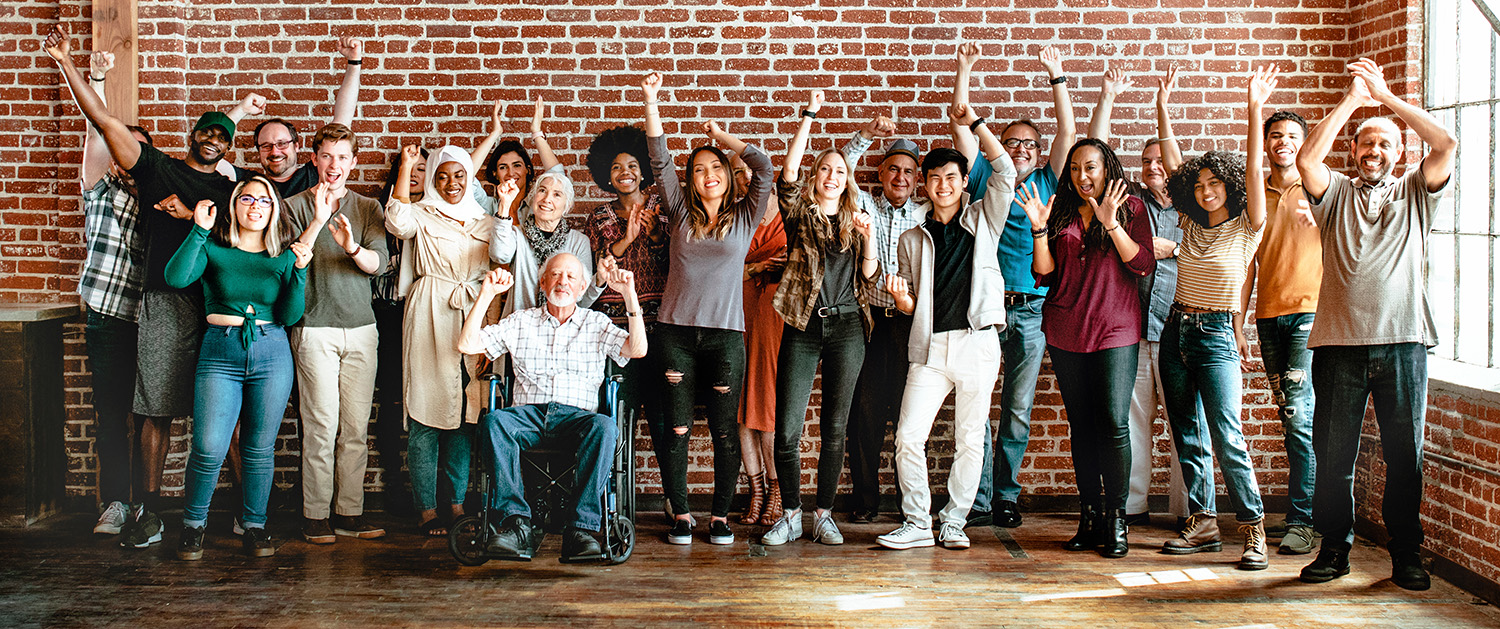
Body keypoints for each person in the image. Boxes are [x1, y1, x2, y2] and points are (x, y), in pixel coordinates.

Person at [45, 24, 245, 549]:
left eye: (222, 135)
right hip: (161, 304)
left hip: (215, 305)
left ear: (228, 146)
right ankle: (150, 514)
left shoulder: (234, 189)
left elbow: (253, 234)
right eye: (206, 130)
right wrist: (69, 64)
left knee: (228, 414)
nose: (212, 139)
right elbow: (104, 121)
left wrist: (192, 215)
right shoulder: (159, 171)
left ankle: (250, 512)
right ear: (193, 135)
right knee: (153, 409)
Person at [1296, 58, 1456, 591]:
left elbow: (1448, 143)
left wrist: (1386, 100)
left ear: (1401, 153)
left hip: (1405, 344)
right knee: (1334, 458)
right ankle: (1333, 550)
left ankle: (1406, 554)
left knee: (1404, 459)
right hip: (1339, 347)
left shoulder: (1416, 192)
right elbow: (1306, 158)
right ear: (1354, 152)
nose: (1374, 151)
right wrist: (1352, 101)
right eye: (1366, 144)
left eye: (1385, 144)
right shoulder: (1334, 193)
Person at [640, 72, 775, 546]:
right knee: (676, 429)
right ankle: (680, 514)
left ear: (725, 174)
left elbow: (764, 168)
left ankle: (719, 517)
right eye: (698, 169)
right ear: (691, 181)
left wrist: (723, 140)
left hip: (725, 337)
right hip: (674, 334)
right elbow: (659, 161)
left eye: (714, 167)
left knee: (722, 431)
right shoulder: (678, 210)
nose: (707, 174)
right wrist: (651, 101)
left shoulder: (746, 214)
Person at [876, 104, 1016, 551]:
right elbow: (912, 303)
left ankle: (953, 521)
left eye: (952, 178)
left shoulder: (984, 220)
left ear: (962, 182)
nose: (943, 185)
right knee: (908, 437)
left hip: (978, 343)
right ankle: (917, 522)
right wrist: (902, 301)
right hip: (931, 348)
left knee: (969, 439)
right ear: (925, 183)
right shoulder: (911, 237)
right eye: (934, 178)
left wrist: (974, 123)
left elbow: (1005, 168)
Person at [1157, 68, 1274, 571]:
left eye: (1214, 183)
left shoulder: (1249, 225)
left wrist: (1253, 109)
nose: (1206, 191)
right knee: (1186, 430)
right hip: (1175, 330)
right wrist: (1163, 105)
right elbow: (1171, 160)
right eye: (1199, 185)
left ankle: (1253, 531)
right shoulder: (1187, 221)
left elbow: (1252, 169)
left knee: (1227, 433)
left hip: (1217, 333)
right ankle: (1203, 523)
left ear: (1229, 185)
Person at [957, 44, 1077, 529]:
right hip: (984, 309)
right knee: (977, 406)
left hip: (1031, 311)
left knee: (1018, 409)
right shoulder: (986, 173)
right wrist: (964, 70)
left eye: (1030, 141)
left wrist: (1057, 76)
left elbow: (1068, 132)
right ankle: (978, 499)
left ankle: (1005, 495)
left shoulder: (1049, 179)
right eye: (1012, 141)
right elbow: (963, 127)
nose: (1021, 147)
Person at [456, 255, 647, 562]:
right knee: (494, 421)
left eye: (571, 277)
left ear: (583, 286)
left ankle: (580, 529)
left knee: (605, 426)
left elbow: (637, 350)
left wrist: (629, 294)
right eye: (555, 275)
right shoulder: (521, 321)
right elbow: (467, 345)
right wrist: (486, 295)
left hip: (578, 419)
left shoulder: (595, 322)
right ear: (542, 283)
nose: (563, 281)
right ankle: (516, 524)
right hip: (528, 416)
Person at [1018, 138, 1155, 557]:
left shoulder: (1130, 207)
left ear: (1107, 168)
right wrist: (1040, 230)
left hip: (1116, 327)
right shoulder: (1059, 209)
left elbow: (1142, 263)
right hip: (1065, 327)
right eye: (1075, 168)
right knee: (1082, 425)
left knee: (1113, 422)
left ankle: (1116, 519)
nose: (1083, 176)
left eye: (1091, 167)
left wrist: (1111, 223)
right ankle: (1090, 515)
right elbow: (1044, 272)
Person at [168, 175, 314, 560]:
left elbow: (289, 314)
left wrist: (298, 273)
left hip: (272, 351)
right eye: (246, 198)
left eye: (264, 201)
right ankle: (193, 527)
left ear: (274, 210)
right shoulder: (215, 248)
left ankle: (254, 526)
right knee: (208, 446)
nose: (255, 207)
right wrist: (198, 230)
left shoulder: (283, 255)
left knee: (259, 449)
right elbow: (176, 276)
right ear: (234, 206)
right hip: (220, 351)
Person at [760, 91, 880, 547]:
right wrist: (809, 116)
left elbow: (869, 276)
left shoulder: (858, 218)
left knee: (835, 427)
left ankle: (823, 515)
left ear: (848, 180)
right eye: (825, 169)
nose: (832, 175)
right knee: (787, 428)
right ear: (817, 178)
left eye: (840, 170)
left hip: (849, 326)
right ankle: (791, 514)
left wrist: (868, 240)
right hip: (804, 327)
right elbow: (787, 175)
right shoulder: (800, 215)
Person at [1091, 68, 1194, 528]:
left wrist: (1163, 106)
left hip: (1182, 332)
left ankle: (1191, 511)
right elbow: (1096, 153)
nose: (1154, 166)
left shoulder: (1198, 207)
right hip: (1136, 329)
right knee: (1132, 421)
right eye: (1146, 159)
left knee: (1185, 425)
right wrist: (1108, 98)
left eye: (1161, 159)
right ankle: (1131, 507)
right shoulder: (1130, 202)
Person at [59, 47, 154, 538]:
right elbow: (96, 133)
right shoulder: (100, 188)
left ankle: (146, 505)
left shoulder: (157, 198)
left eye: (133, 147)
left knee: (148, 416)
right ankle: (115, 502)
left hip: (153, 319)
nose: (122, 151)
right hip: (109, 316)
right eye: (119, 144)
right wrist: (94, 79)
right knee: (111, 413)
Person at [283, 124, 390, 544]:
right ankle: (314, 515)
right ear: (314, 158)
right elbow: (290, 263)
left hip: (362, 329)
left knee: (355, 429)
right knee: (321, 426)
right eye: (326, 156)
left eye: (342, 157)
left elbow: (378, 265)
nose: (334, 165)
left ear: (353, 162)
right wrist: (320, 219)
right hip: (314, 328)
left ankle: (349, 512)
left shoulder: (367, 207)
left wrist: (350, 246)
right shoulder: (291, 206)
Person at [384, 144, 495, 536]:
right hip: (430, 313)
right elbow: (396, 222)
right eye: (442, 175)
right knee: (425, 413)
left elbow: (497, 268)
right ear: (431, 178)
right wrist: (406, 167)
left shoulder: (485, 220)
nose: (451, 183)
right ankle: (426, 507)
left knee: (466, 414)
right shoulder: (421, 213)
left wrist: (488, 339)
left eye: (459, 175)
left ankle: (456, 501)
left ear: (470, 178)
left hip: (474, 313)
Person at [581, 124, 680, 520]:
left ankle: (676, 499)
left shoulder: (663, 209)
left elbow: (673, 259)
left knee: (661, 418)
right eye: (618, 166)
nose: (626, 171)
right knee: (614, 417)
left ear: (644, 171)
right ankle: (607, 502)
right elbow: (602, 263)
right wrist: (628, 235)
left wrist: (653, 233)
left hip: (656, 329)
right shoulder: (598, 216)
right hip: (613, 330)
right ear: (608, 173)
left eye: (633, 165)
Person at [1239, 97, 1320, 555]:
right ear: (1266, 145)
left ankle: (1303, 520)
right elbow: (1247, 265)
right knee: (1292, 417)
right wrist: (1239, 323)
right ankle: (1306, 514)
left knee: (1297, 419)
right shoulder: (1257, 196)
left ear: (1303, 144)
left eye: (1292, 136)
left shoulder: (1321, 187)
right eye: (1275, 136)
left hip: (1311, 315)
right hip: (1269, 318)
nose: (1283, 143)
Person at [839, 116, 918, 525]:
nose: (900, 177)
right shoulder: (865, 203)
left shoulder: (926, 213)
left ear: (916, 179)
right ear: (882, 172)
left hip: (911, 326)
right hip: (869, 324)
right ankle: (866, 502)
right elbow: (842, 168)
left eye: (908, 171)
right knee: (865, 417)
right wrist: (866, 135)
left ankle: (911, 507)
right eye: (893, 168)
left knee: (910, 418)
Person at [231, 36, 364, 199]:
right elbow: (207, 154)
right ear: (258, 150)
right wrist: (241, 110)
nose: (275, 151)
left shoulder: (315, 173)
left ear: (296, 146)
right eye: (266, 145)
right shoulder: (251, 183)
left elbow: (343, 120)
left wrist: (354, 63)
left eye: (282, 143)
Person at [371, 147, 429, 517]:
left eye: (424, 168)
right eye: (410, 166)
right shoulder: (381, 211)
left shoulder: (435, 212)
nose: (415, 174)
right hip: (386, 314)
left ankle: (430, 485)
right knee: (392, 399)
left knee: (423, 399)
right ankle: (394, 480)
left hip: (423, 314)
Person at [733, 151, 787, 527]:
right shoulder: (736, 218)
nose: (749, 181)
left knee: (767, 409)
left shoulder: (790, 217)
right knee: (741, 407)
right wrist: (754, 267)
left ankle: (776, 489)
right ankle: (755, 490)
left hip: (776, 319)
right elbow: (717, 268)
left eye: (754, 175)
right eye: (741, 175)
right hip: (739, 313)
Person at [489, 170, 603, 317]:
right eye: (542, 191)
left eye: (557, 194)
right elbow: (499, 255)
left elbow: (581, 299)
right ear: (533, 198)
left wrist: (599, 280)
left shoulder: (579, 242)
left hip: (561, 328)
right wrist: (504, 205)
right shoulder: (517, 234)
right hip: (519, 326)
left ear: (566, 207)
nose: (547, 199)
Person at [471, 97, 563, 220]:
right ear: (495, 174)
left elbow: (559, 179)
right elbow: (465, 175)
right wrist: (495, 133)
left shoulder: (537, 207)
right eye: (503, 167)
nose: (511, 173)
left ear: (528, 170)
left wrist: (536, 132)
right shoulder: (488, 206)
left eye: (517, 165)